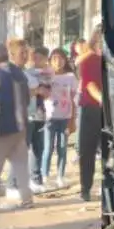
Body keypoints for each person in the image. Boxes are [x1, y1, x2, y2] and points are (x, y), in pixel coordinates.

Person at [0, 43, 32, 211]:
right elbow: (27, 99)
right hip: (21, 127)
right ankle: (27, 199)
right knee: (21, 165)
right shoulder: (19, 74)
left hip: (4, 128)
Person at [76, 26, 106, 202]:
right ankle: (85, 188)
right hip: (92, 110)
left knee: (109, 151)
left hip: (110, 110)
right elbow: (90, 85)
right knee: (87, 151)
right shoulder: (89, 60)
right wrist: (103, 100)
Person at [42, 47, 76, 188]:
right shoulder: (46, 76)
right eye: (55, 58)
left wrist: (72, 120)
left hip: (65, 118)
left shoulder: (71, 77)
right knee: (48, 148)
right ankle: (45, 176)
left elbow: (74, 99)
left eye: (61, 58)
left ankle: (60, 176)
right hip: (49, 118)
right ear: (50, 60)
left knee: (62, 148)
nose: (58, 61)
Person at [25, 46, 53, 191]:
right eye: (34, 57)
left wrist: (40, 89)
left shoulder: (47, 73)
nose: (36, 61)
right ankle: (20, 182)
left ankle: (36, 180)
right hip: (27, 116)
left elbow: (47, 92)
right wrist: (37, 90)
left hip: (40, 115)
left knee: (38, 148)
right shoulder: (27, 73)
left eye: (40, 58)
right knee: (24, 148)